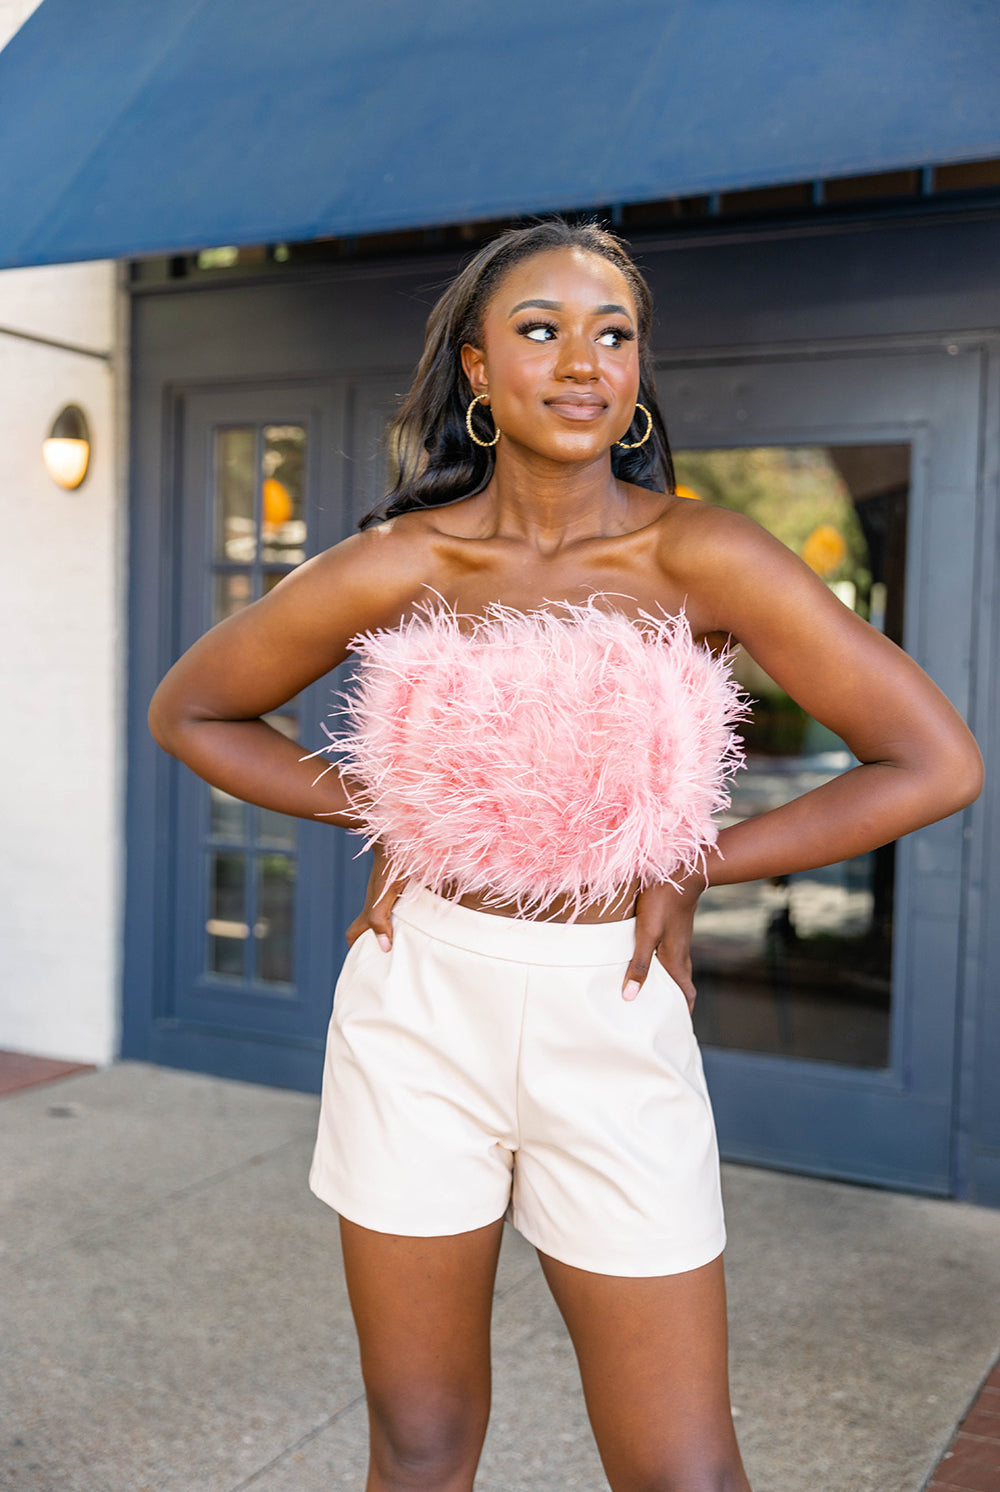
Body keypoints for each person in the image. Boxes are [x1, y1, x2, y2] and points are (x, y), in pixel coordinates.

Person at [149, 218, 983, 1492]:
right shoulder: (407, 561)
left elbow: (935, 759)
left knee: (681, 1468)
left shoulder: (700, 554)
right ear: (477, 371)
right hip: (419, 1008)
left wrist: (695, 857)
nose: (583, 361)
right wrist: (398, 811)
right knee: (421, 1446)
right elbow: (192, 711)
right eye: (540, 331)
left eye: (614, 334)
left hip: (615, 1010)